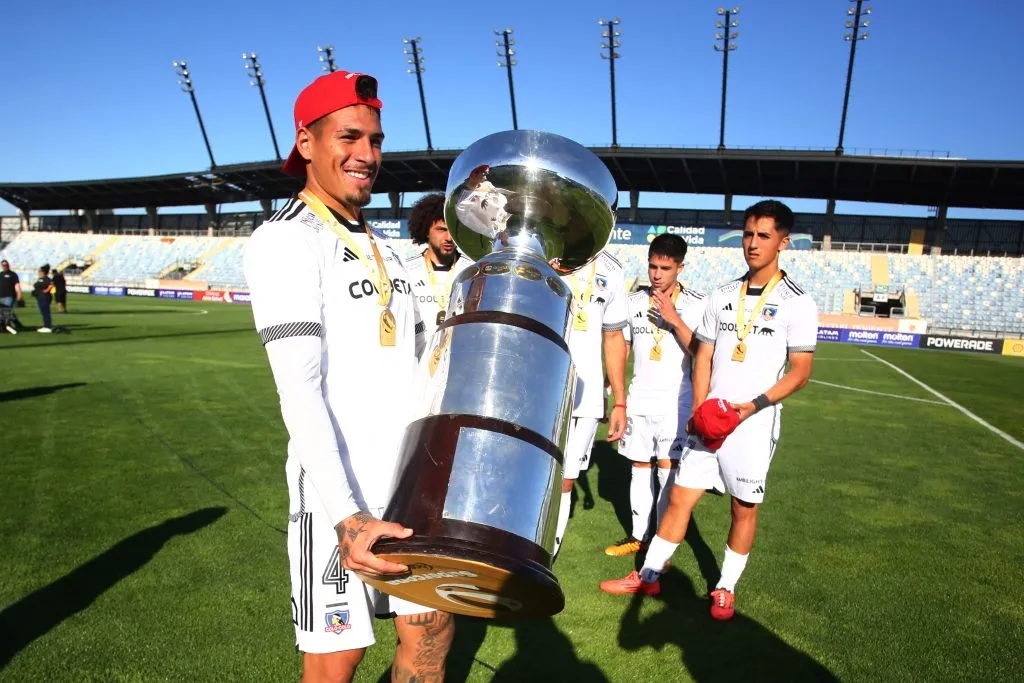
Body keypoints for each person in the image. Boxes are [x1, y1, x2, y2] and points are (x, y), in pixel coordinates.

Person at [243, 69, 453, 683]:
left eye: (376, 140)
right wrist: (348, 515)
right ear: (306, 143)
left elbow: (427, 367)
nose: (367, 154)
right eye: (349, 137)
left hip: (411, 489)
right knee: (338, 661)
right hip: (338, 495)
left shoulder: (387, 249)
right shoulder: (285, 241)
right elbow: (298, 388)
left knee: (430, 641)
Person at [599, 200, 818, 622]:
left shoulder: (797, 302)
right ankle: (649, 575)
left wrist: (751, 407)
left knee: (743, 508)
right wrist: (700, 408)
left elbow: (801, 372)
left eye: (764, 236)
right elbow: (703, 357)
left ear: (783, 242)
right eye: (748, 234)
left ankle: (725, 588)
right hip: (709, 420)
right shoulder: (722, 295)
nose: (752, 243)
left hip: (753, 424)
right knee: (680, 497)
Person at [602, 234, 707, 558]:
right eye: (653, 267)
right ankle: (639, 536)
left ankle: (661, 541)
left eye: (665, 268)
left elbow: (702, 353)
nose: (657, 274)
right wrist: (611, 391)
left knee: (667, 467)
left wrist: (674, 319)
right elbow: (622, 349)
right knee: (639, 466)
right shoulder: (633, 301)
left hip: (676, 401)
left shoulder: (697, 304)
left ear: (680, 268)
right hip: (639, 398)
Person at [553, 250, 629, 557]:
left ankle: (546, 555)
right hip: (540, 387)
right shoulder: (545, 253)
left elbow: (614, 338)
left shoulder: (612, 269)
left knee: (565, 480)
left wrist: (620, 402)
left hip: (587, 395)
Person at [404, 192, 474, 342]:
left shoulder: (472, 271)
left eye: (453, 230)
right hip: (417, 354)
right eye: (441, 230)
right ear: (426, 230)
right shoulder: (407, 270)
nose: (449, 238)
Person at [0, 259, 22, 334]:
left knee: (6, 311)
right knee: (3, 312)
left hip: (9, 296)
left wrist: (19, 294)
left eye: (6, 265)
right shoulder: (0, 274)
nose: (5, 266)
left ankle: (7, 326)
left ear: (8, 265)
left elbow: (17, 285)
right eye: (3, 265)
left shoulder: (13, 274)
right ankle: (15, 323)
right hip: (1, 296)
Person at [31, 265, 54, 333]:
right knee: (43, 312)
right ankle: (46, 325)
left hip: (45, 297)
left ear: (43, 272)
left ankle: (48, 327)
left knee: (46, 312)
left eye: (40, 271)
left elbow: (51, 284)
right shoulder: (40, 279)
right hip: (40, 297)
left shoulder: (47, 279)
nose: (39, 272)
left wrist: (47, 290)